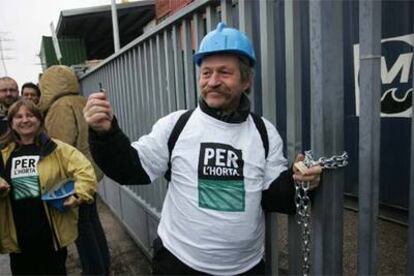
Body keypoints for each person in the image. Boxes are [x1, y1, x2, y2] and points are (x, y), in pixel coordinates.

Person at [83, 22, 322, 275]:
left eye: (224, 72)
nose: (213, 81)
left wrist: (301, 182)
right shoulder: (176, 125)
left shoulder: (264, 132)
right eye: (206, 73)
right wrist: (105, 134)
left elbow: (275, 196)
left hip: (245, 269)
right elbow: (130, 169)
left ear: (247, 81)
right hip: (178, 263)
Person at [0, 99, 97, 275]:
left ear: (39, 120)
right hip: (18, 237)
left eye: (30, 115)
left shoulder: (57, 149)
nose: (25, 120)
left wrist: (78, 195)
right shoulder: (4, 154)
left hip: (50, 234)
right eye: (19, 116)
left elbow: (85, 171)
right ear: (12, 123)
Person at [38, 65, 110, 275]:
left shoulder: (59, 107)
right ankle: (103, 266)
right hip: (90, 173)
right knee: (92, 223)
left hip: (73, 180)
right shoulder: (82, 100)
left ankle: (94, 271)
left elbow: (60, 148)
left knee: (82, 230)